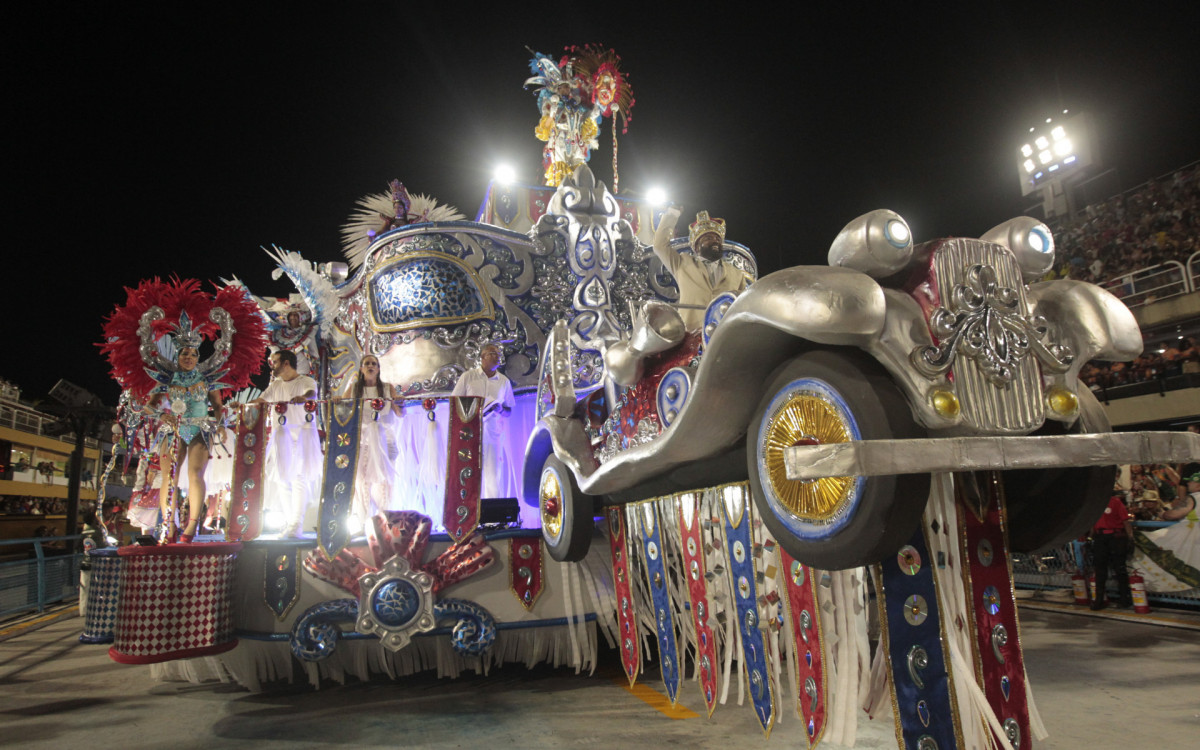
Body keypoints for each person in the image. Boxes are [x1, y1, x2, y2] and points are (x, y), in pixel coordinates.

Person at [147, 343, 227, 543]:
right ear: (177, 356)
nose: (189, 357)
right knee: (168, 476)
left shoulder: (206, 379)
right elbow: (149, 406)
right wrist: (162, 416)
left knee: (195, 473)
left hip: (199, 429)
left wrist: (221, 426)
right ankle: (169, 525)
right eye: (184, 353)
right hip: (173, 429)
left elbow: (218, 406)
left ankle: (192, 525)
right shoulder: (167, 378)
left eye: (193, 354)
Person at [255, 349, 321, 537]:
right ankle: (290, 523)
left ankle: (296, 524)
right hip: (281, 437)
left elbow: (312, 394)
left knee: (299, 478)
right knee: (282, 480)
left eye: (274, 362)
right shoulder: (275, 385)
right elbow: (261, 400)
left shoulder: (306, 381)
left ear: (285, 363)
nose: (272, 366)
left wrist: (304, 398)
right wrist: (243, 405)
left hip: (302, 436)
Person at [652, 207, 749, 331]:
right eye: (708, 238)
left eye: (718, 239)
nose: (715, 241)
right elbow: (659, 246)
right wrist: (672, 214)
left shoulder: (736, 274)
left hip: (724, 336)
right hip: (690, 335)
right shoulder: (682, 263)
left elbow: (742, 305)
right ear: (697, 247)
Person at [451, 344, 518, 499]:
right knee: (469, 473)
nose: (497, 356)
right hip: (469, 435)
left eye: (499, 354)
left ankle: (492, 517)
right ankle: (470, 512)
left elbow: (509, 410)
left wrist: (500, 409)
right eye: (493, 353)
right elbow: (455, 403)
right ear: (482, 357)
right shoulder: (468, 377)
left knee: (493, 475)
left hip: (493, 434)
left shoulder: (504, 381)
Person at [342, 355, 401, 522]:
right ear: (361, 369)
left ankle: (384, 520)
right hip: (362, 441)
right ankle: (363, 520)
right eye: (367, 363)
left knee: (384, 482)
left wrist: (400, 402)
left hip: (385, 440)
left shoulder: (388, 388)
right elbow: (341, 409)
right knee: (361, 481)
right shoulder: (354, 388)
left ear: (379, 368)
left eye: (374, 364)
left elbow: (399, 413)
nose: (370, 366)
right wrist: (339, 400)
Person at [1090, 489, 1133, 610]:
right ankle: (1101, 599)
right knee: (1104, 569)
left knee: (1117, 569)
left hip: (1114, 537)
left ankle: (1123, 598)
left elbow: (1125, 521)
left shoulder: (1114, 502)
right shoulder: (1097, 504)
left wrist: (1130, 537)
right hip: (1104, 537)